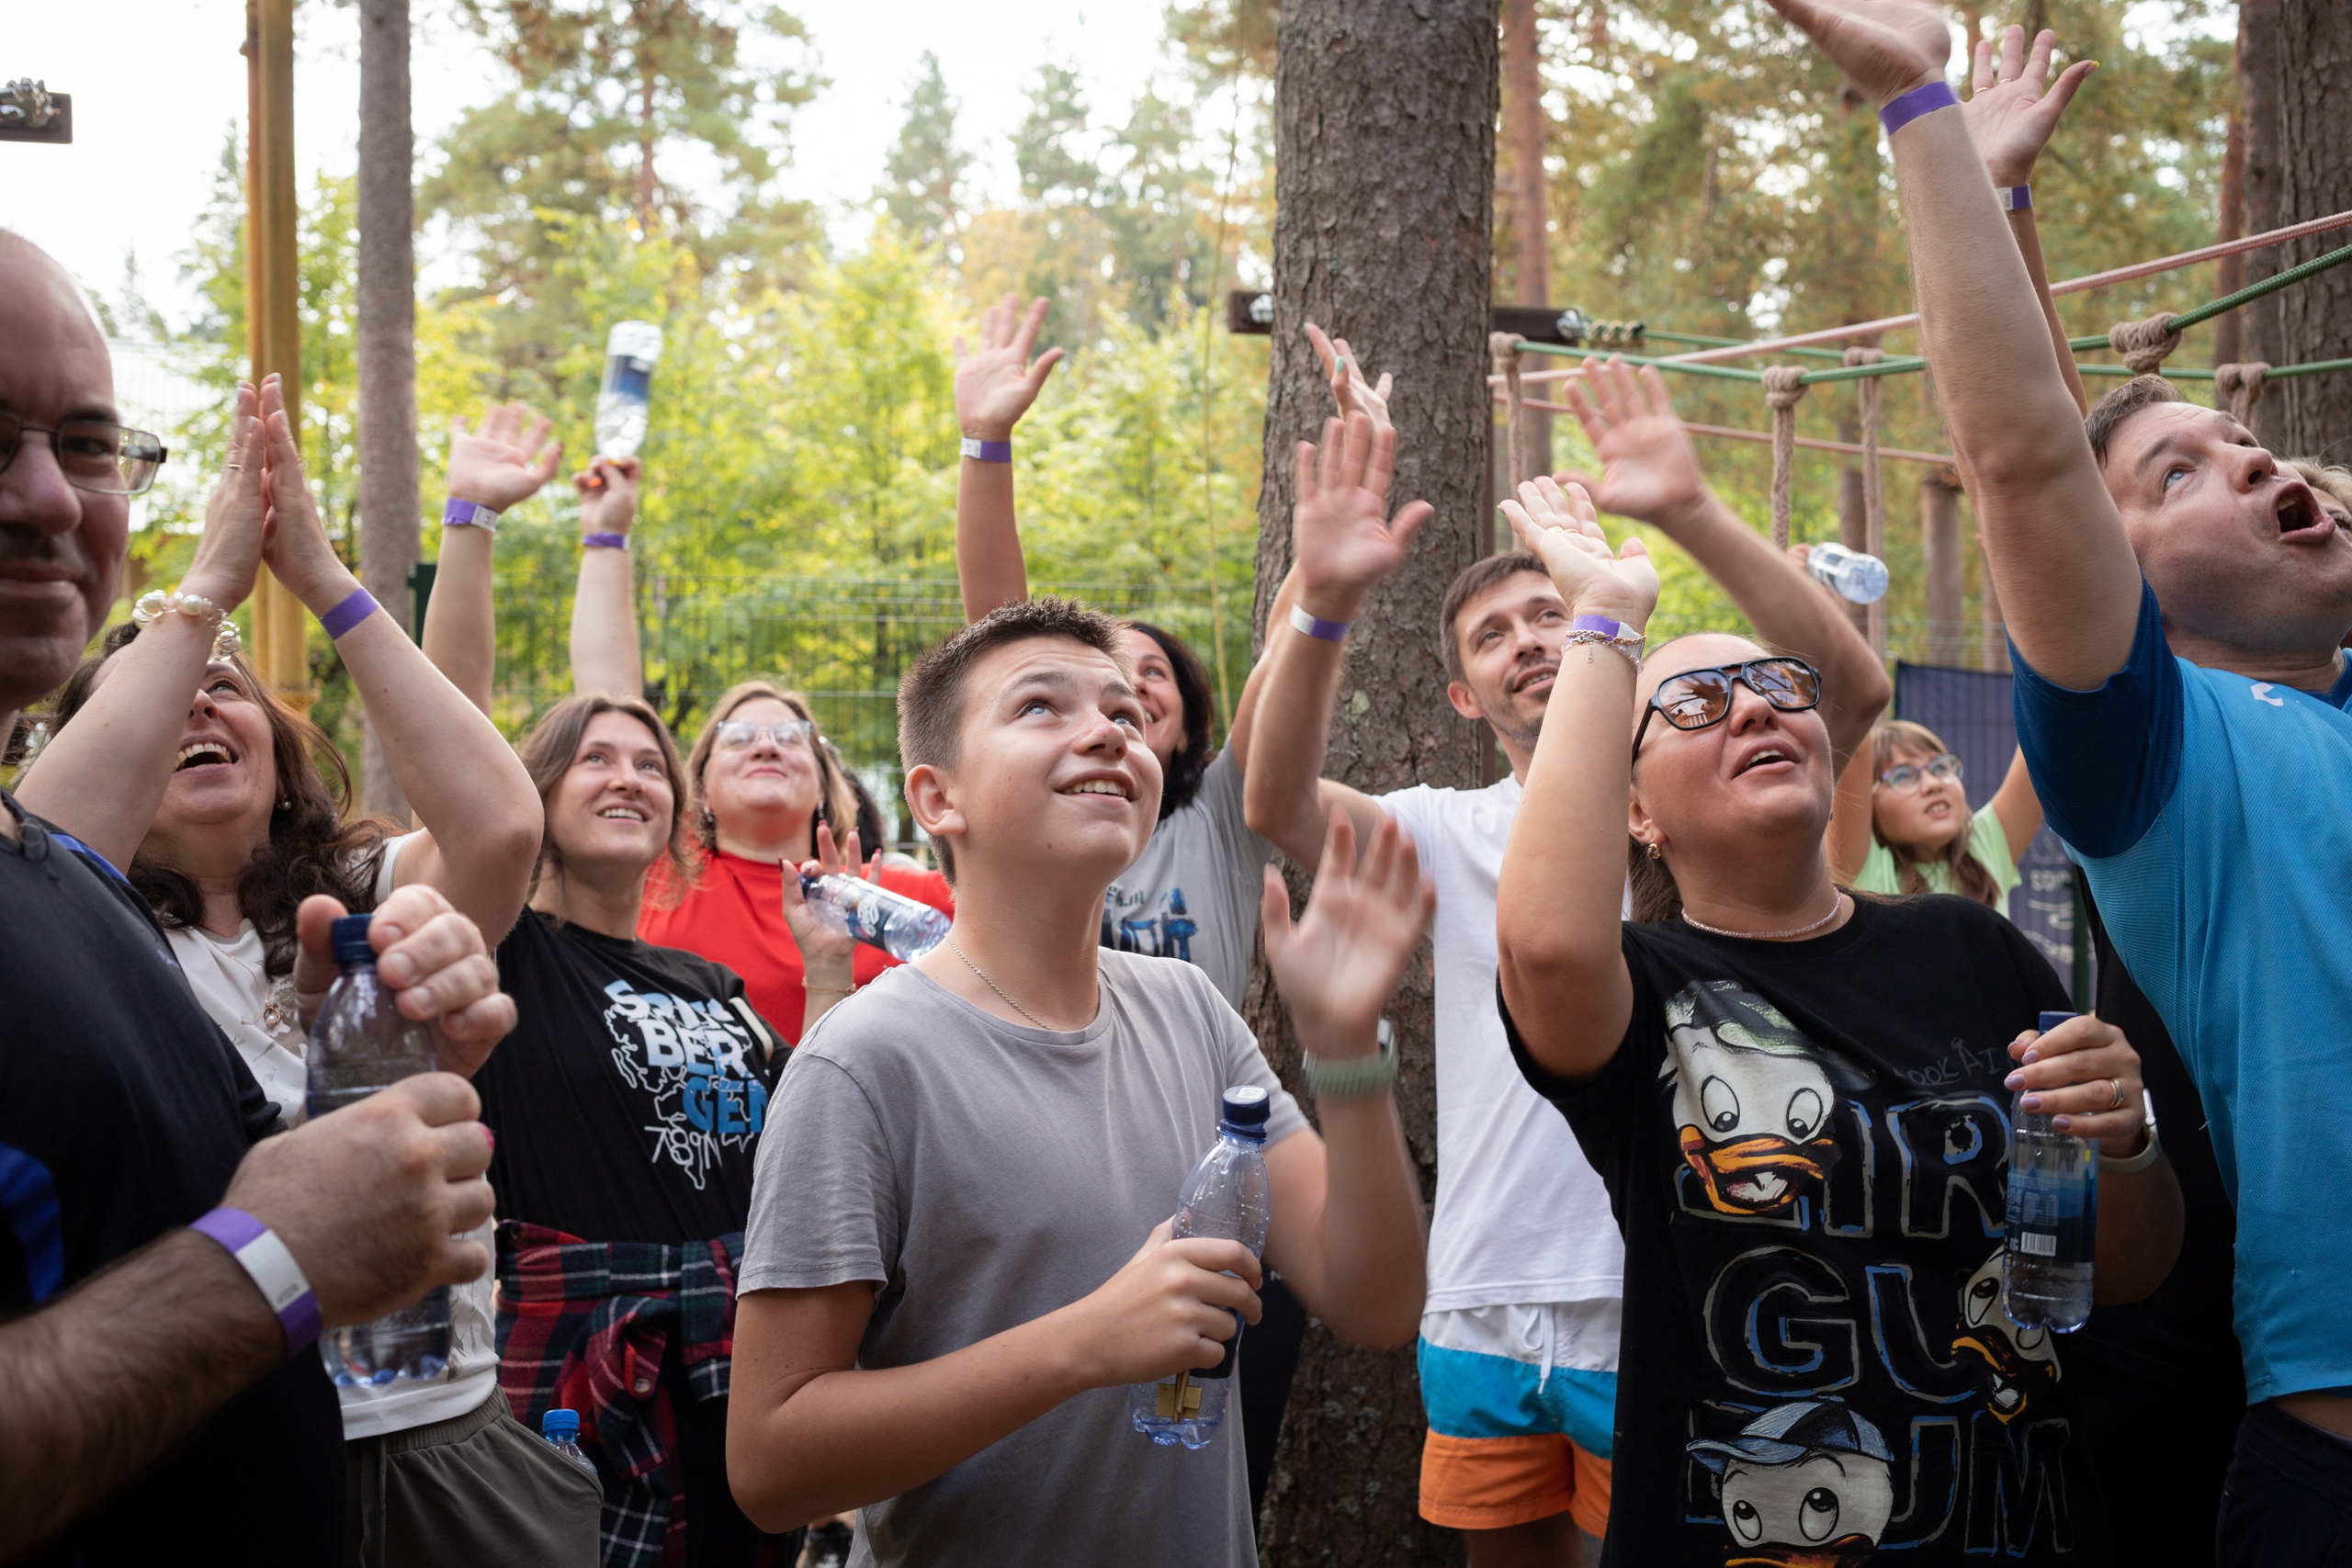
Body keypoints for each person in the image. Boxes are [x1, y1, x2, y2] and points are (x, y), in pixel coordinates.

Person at [1758, 0, 2352, 1557]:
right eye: (2188, 471)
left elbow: (2076, 462)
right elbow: (2036, 467)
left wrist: (2011, 201)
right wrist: (1922, 121)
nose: (2256, 461)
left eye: (2248, 444)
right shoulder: (2165, 761)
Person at [1243, 360, 1893, 1565]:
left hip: (1659, 1284)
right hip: (1481, 1291)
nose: (1530, 640)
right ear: (1461, 690)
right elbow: (1269, 788)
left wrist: (1672, 536)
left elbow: (1850, 691)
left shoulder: (1684, 802)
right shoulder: (1443, 825)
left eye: (1551, 611)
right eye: (1494, 633)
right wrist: (1318, 598)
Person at [1488, 471, 2184, 1565]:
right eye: (1695, 705)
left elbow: (2115, 1270)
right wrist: (1608, 617)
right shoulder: (1641, 994)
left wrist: (2127, 1140)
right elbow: (1543, 942)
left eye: (1771, 684)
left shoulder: (1971, 945)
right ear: (1636, 812)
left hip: (2022, 1530)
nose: (1756, 706)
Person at [725, 592, 1431, 1564]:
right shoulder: (861, 1061)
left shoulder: (1189, 1009)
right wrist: (1083, 1344)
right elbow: (769, 1469)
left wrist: (1349, 1050)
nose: (1106, 734)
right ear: (938, 798)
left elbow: (1378, 1301)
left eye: (1124, 715)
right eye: (1040, 708)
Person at [0, 228, 509, 1565]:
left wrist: (359, 1081)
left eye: (91, 443)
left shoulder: (54, 891)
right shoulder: (94, 877)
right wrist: (277, 1256)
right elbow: (259, 1237)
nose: (49, 496)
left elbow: (498, 822)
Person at [948, 298, 1372, 1506]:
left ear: (1180, 718)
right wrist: (986, 448)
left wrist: (1326, 537)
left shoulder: (1226, 820)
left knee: (1194, 1467)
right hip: (1030, 1180)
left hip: (1216, 1192)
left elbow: (1294, 658)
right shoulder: (1028, 826)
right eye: (1077, 689)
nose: (1112, 701)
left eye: (1143, 681)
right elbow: (997, 636)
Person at [420, 429, 800, 1565]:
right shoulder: (507, 949)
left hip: (740, 1368)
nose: (628, 773)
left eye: (648, 762)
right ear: (530, 797)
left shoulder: (717, 982)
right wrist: (472, 522)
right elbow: (442, 716)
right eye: (592, 759)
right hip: (573, 1373)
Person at [639, 676, 953, 1043]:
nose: (766, 746)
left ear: (822, 786)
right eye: (738, 737)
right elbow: (613, 718)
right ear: (702, 791)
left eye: (789, 737)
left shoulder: (895, 901)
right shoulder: (657, 874)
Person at [1825, 721, 2041, 910]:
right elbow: (1853, 732)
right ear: (1868, 806)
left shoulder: (1986, 845)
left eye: (1940, 767)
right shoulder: (1866, 868)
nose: (1933, 784)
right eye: (1903, 776)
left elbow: (2042, 734)